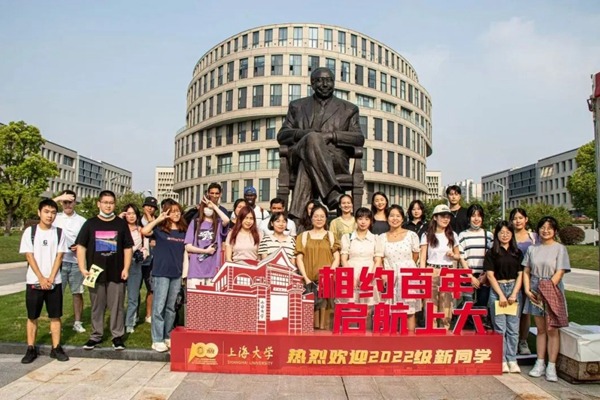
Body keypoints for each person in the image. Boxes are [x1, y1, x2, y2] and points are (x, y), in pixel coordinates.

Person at [277, 67, 365, 218]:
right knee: (312, 138)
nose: (325, 84)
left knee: (306, 165)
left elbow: (358, 138)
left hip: (333, 159)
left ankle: (296, 219)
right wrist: (305, 134)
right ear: (312, 83)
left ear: (334, 83)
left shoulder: (349, 109)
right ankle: (331, 193)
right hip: (298, 155)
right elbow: (282, 135)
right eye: (320, 80)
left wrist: (332, 135)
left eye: (329, 80)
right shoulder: (297, 106)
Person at [76, 190, 133, 351]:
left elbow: (128, 248)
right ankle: (96, 336)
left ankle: (117, 337)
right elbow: (81, 246)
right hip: (95, 273)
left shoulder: (121, 224)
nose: (108, 205)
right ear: (99, 204)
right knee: (97, 306)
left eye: (111, 203)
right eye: (105, 202)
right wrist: (82, 268)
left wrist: (126, 268)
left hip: (116, 272)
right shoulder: (90, 223)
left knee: (117, 306)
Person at [19, 198, 69, 363]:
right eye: (46, 212)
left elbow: (59, 256)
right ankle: (31, 348)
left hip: (54, 281)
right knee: (32, 316)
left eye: (53, 212)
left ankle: (56, 347)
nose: (50, 216)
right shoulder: (30, 232)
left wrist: (51, 277)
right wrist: (40, 277)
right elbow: (29, 255)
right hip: (34, 281)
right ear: (39, 213)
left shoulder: (59, 232)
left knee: (55, 316)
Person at [523, 216, 570, 382]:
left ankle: (551, 366)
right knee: (541, 329)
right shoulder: (532, 249)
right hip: (535, 289)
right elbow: (527, 271)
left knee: (552, 329)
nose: (545, 230)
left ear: (555, 230)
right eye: (542, 227)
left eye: (549, 228)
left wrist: (547, 290)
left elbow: (560, 271)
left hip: (552, 288)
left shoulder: (560, 248)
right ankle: (540, 362)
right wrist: (528, 290)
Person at [141, 201, 187, 352]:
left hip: (176, 273)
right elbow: (144, 231)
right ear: (166, 212)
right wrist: (158, 219)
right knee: (158, 307)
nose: (176, 214)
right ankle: (157, 339)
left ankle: (168, 336)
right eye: (172, 211)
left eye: (178, 211)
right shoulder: (160, 230)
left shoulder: (183, 231)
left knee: (171, 307)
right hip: (161, 273)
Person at [484, 221, 524, 374]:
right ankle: (502, 360)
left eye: (507, 232)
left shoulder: (517, 252)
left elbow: (521, 274)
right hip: (497, 291)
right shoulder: (492, 253)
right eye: (501, 232)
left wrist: (514, 293)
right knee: (500, 328)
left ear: (512, 234)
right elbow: (490, 275)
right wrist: (500, 294)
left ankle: (512, 359)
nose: (504, 235)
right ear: (497, 235)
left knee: (513, 329)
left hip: (514, 289)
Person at [376, 205, 421, 332]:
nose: (394, 218)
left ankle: (410, 343)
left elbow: (415, 255)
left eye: (398, 216)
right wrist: (384, 273)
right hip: (390, 276)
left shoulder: (411, 235)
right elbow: (380, 258)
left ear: (402, 219)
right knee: (391, 310)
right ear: (387, 218)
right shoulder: (381, 238)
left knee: (409, 311)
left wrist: (405, 267)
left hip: (408, 276)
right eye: (391, 215)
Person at [296, 204, 341, 330]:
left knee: (326, 320)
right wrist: (306, 278)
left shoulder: (331, 236)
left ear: (326, 218)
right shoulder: (303, 236)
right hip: (308, 282)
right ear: (311, 218)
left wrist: (329, 275)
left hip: (327, 281)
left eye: (322, 216)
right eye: (316, 216)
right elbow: (299, 258)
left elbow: (336, 258)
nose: (319, 219)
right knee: (309, 318)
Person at [419, 204, 460, 330]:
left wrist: (453, 255)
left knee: (446, 305)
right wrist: (421, 276)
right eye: (442, 216)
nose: (446, 219)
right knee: (430, 305)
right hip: (431, 270)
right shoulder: (426, 235)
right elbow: (422, 257)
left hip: (447, 271)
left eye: (448, 216)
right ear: (435, 217)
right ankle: (431, 333)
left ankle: (445, 331)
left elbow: (459, 256)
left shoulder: (452, 235)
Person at [53, 189, 87, 334]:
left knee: (77, 293)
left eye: (70, 202)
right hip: (58, 262)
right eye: (65, 202)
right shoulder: (55, 217)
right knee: (56, 294)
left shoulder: (81, 221)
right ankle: (55, 322)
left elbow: (86, 241)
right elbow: (44, 209)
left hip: (75, 262)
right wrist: (58, 197)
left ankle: (77, 322)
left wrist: (78, 246)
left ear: (75, 202)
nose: (68, 205)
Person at [457, 204, 494, 326]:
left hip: (484, 277)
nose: (476, 219)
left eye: (479, 216)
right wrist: (470, 276)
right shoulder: (462, 235)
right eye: (473, 216)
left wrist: (483, 276)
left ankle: (481, 338)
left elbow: (491, 257)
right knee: (468, 306)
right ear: (469, 218)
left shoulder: (488, 235)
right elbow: (462, 257)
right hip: (468, 276)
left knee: (481, 307)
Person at [185, 196, 230, 286]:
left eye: (210, 207)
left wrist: (214, 206)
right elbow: (188, 247)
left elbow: (227, 220)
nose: (208, 209)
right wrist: (205, 251)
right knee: (195, 299)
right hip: (196, 270)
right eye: (206, 206)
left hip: (213, 271)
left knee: (210, 299)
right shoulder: (195, 223)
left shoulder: (218, 223)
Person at [510, 207, 537, 356]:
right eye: (514, 218)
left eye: (520, 218)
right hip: (511, 278)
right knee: (511, 311)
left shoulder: (533, 237)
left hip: (528, 278)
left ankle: (523, 341)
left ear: (526, 219)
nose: (517, 221)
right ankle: (511, 342)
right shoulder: (508, 235)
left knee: (526, 312)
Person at [340, 207, 378, 307]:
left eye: (367, 219)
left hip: (369, 274)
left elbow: (377, 261)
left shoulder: (375, 238)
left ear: (371, 221)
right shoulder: (347, 237)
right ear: (356, 220)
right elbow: (344, 259)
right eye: (360, 218)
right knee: (351, 307)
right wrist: (351, 277)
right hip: (351, 273)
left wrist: (368, 278)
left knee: (368, 309)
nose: (363, 222)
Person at [119, 204, 146, 334]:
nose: (131, 216)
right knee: (118, 296)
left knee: (133, 296)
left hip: (135, 264)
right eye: (128, 213)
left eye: (133, 213)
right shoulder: (120, 228)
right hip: (120, 263)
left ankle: (129, 322)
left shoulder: (141, 230)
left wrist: (144, 251)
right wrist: (118, 219)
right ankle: (118, 322)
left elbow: (145, 247)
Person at [140, 196, 158, 324]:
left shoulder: (157, 222)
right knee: (134, 290)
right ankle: (133, 315)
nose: (150, 208)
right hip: (137, 260)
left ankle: (149, 315)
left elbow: (155, 233)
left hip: (151, 260)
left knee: (151, 288)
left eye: (152, 207)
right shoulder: (136, 221)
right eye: (147, 206)